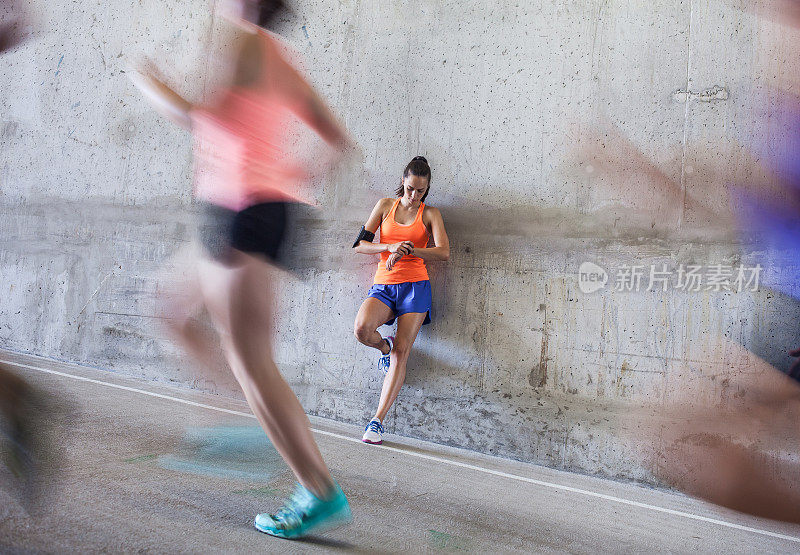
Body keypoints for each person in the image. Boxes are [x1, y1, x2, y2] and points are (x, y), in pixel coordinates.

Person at [129, 0, 357, 539]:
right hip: (257, 209)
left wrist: (147, 78)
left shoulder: (242, 40)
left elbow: (195, 114)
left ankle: (317, 488)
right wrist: (293, 178)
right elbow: (336, 141)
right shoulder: (278, 54)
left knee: (252, 363)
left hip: (239, 210)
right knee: (172, 310)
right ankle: (241, 425)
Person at [352, 156, 450, 444]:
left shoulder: (431, 214)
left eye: (420, 191)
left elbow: (443, 252)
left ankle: (377, 421)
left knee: (403, 352)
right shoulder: (385, 206)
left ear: (427, 188)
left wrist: (411, 251)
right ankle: (384, 346)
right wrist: (390, 245)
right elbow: (360, 245)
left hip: (415, 288)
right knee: (362, 330)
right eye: (409, 189)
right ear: (403, 182)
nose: (413, 195)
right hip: (384, 285)